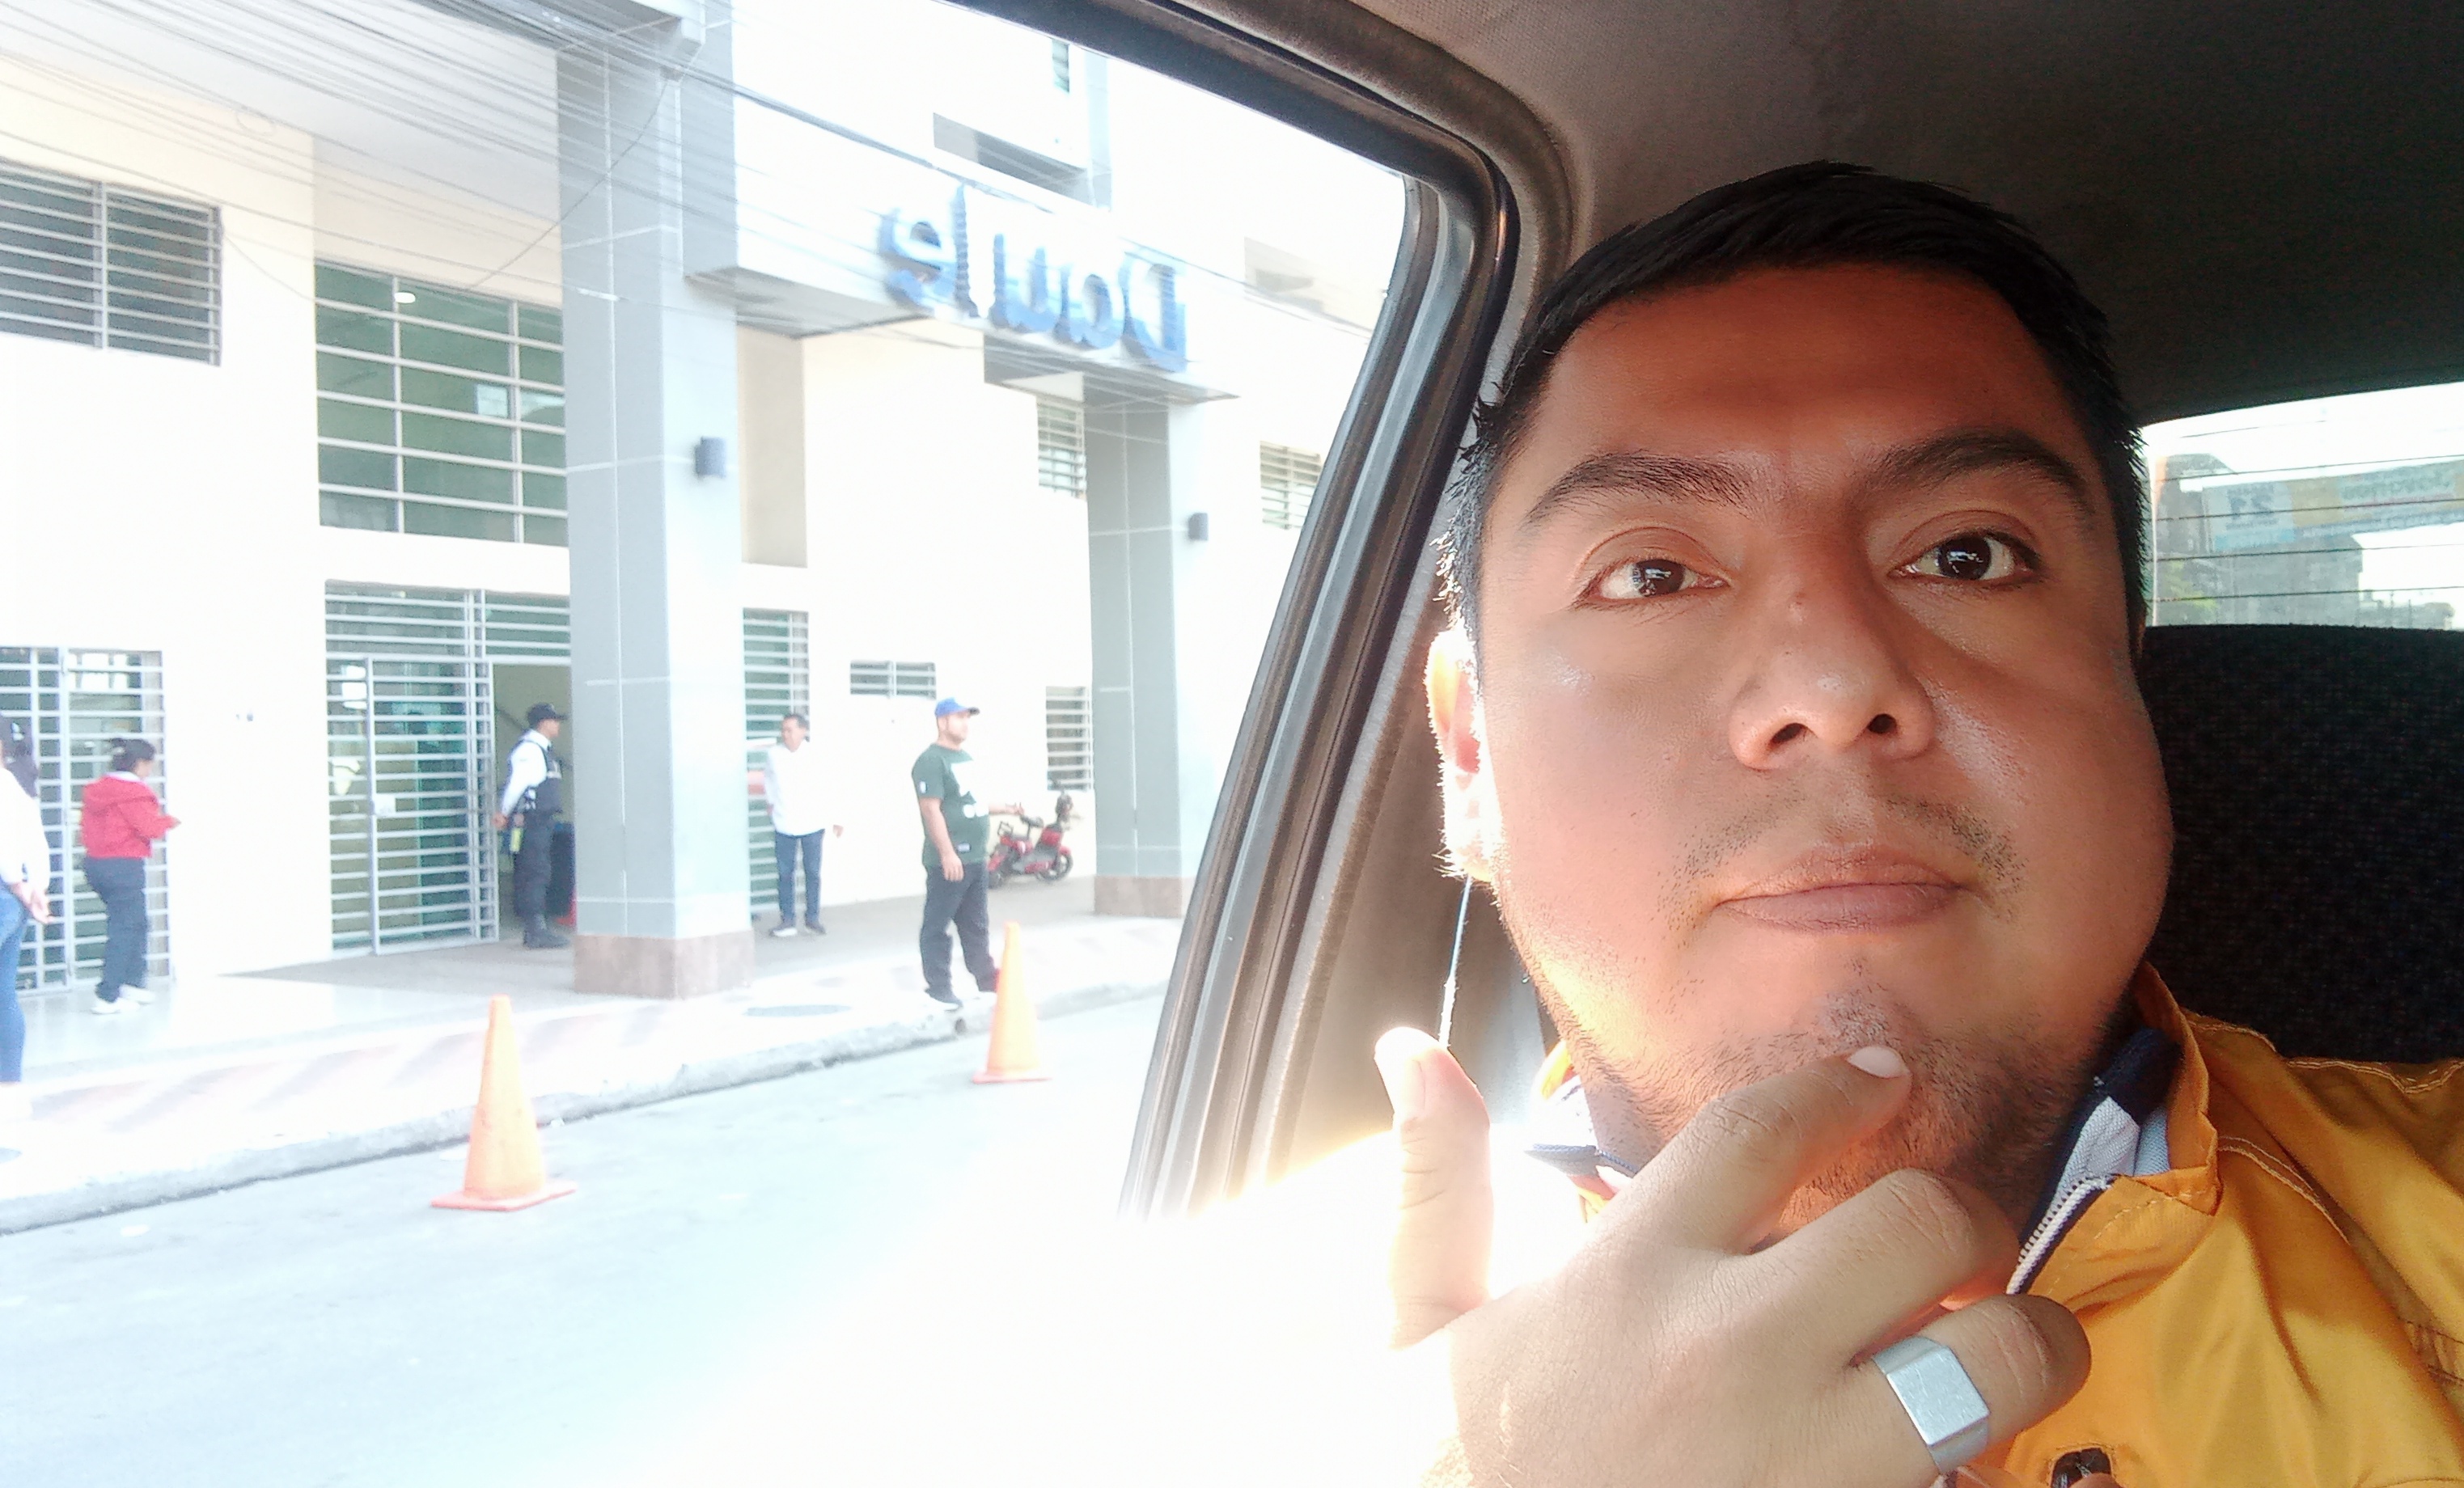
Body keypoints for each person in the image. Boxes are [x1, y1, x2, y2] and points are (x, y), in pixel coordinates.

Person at [1326, 162, 2464, 1484]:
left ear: (2130, 682)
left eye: (1968, 555)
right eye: (1649, 574)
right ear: (1471, 750)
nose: (1829, 687)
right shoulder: (1238, 1382)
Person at [911, 699, 1017, 1008]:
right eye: (959, 717)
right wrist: (947, 854)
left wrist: (1007, 808)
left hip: (975, 859)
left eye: (967, 718)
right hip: (951, 861)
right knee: (937, 925)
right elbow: (931, 810)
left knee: (975, 924)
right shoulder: (931, 761)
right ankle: (939, 986)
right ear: (942, 722)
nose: (965, 723)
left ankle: (986, 979)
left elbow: (972, 802)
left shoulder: (965, 758)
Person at [79, 738, 176, 1015]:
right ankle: (108, 995)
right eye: (149, 765)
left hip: (96, 864)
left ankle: (132, 982)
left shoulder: (98, 789)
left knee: (137, 923)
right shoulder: (133, 792)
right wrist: (170, 821)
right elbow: (150, 828)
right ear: (140, 763)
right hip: (123, 865)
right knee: (124, 928)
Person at [0, 717, 53, 1122]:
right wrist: (36, 888)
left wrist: (19, 884)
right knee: (4, 997)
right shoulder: (16, 786)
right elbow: (36, 844)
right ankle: (11, 1091)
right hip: (13, 899)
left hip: (7, 890)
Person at [756, 711, 841, 937]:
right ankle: (787, 920)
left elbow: (830, 785)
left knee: (812, 872)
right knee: (785, 873)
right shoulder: (774, 755)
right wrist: (770, 802)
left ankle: (812, 919)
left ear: (803, 731)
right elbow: (768, 779)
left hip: (812, 822)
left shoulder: (816, 755)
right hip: (784, 822)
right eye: (783, 730)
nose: (786, 734)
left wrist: (837, 817)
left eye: (790, 730)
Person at [493, 703, 567, 950]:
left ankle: (536, 928)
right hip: (531, 821)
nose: (558, 725)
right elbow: (517, 785)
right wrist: (504, 813)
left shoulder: (543, 750)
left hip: (541, 822)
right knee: (534, 873)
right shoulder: (530, 750)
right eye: (555, 720)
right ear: (544, 723)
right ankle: (535, 930)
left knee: (538, 872)